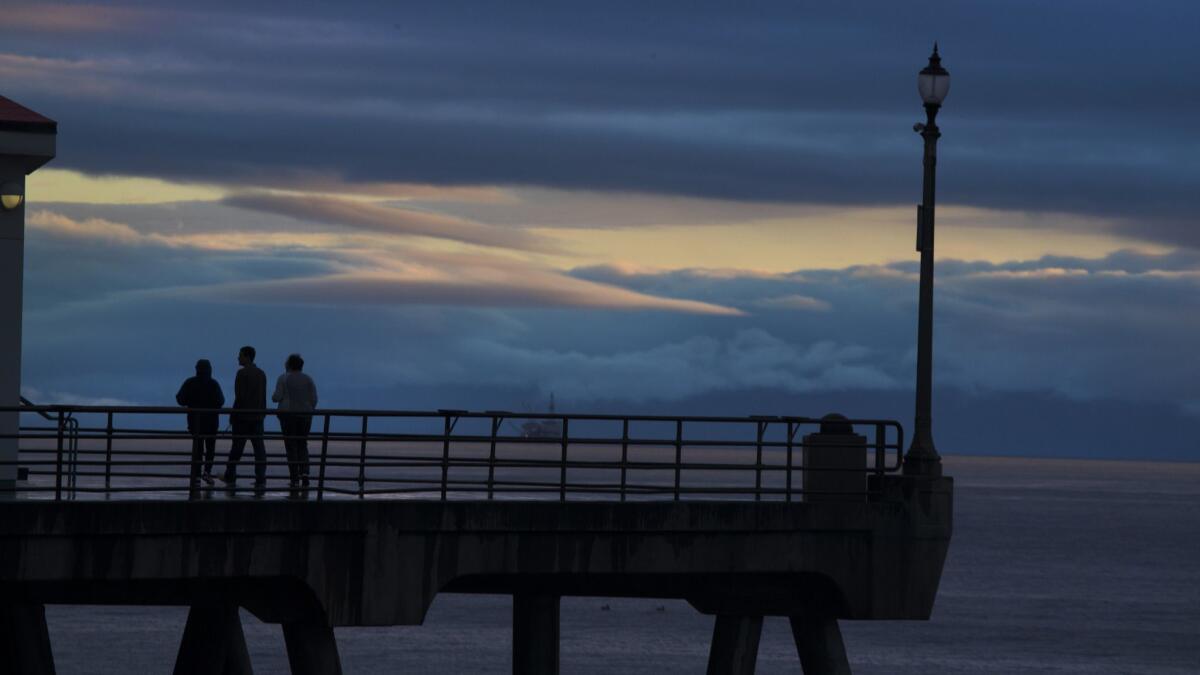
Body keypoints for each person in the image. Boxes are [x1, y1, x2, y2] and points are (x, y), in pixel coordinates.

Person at [222, 345, 268, 491]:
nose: (238, 358)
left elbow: (239, 397)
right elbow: (262, 396)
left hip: (242, 417)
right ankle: (260, 478)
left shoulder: (241, 374)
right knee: (259, 450)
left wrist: (232, 415)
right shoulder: (262, 374)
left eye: (240, 355)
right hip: (258, 417)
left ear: (247, 357)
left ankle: (230, 475)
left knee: (236, 448)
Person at [175, 359, 225, 488]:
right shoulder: (214, 384)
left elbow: (180, 399)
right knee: (210, 449)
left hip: (194, 422)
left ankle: (196, 475)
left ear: (196, 369)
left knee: (197, 449)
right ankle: (207, 472)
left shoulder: (190, 382)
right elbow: (221, 401)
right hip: (211, 423)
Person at [273, 353, 318, 488]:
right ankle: (305, 474)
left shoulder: (283, 378)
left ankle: (294, 478)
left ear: (289, 365)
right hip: (305, 416)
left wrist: (274, 397)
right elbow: (314, 399)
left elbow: (277, 397)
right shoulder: (308, 379)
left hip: (288, 416)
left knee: (291, 446)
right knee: (302, 444)